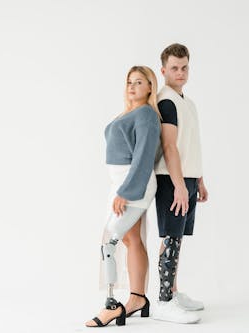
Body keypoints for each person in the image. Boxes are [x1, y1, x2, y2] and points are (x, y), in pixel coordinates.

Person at [85, 66, 161, 327]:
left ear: (150, 86)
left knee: (111, 242)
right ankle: (138, 298)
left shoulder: (147, 114)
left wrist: (126, 192)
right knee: (131, 239)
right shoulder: (130, 113)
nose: (132, 86)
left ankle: (111, 305)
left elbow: (143, 157)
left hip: (133, 183)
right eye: (130, 82)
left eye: (139, 82)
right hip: (121, 181)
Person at [151, 43, 209, 324]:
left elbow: (189, 144)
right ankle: (163, 301)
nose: (180, 72)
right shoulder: (166, 101)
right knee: (170, 238)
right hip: (171, 178)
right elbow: (170, 147)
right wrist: (178, 185)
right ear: (163, 70)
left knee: (178, 237)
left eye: (184, 67)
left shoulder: (187, 101)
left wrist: (198, 179)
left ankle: (172, 292)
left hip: (187, 177)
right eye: (174, 68)